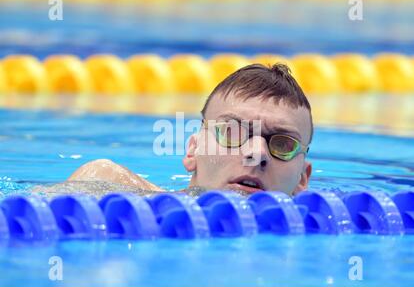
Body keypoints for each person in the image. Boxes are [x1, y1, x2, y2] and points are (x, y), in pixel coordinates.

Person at [35, 63, 313, 198]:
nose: (256, 154)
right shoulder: (108, 187)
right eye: (232, 132)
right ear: (193, 150)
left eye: (284, 145)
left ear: (303, 177)